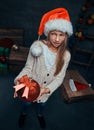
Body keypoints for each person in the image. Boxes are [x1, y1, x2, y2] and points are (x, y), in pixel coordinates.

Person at [14, 7, 73, 129]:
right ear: (48, 33)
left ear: (66, 36)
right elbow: (28, 68)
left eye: (61, 35)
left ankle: (40, 115)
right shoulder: (37, 46)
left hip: (45, 92)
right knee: (26, 104)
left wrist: (45, 90)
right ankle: (23, 114)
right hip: (29, 89)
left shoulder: (66, 55)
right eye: (54, 34)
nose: (57, 39)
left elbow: (59, 78)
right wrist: (19, 81)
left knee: (43, 105)